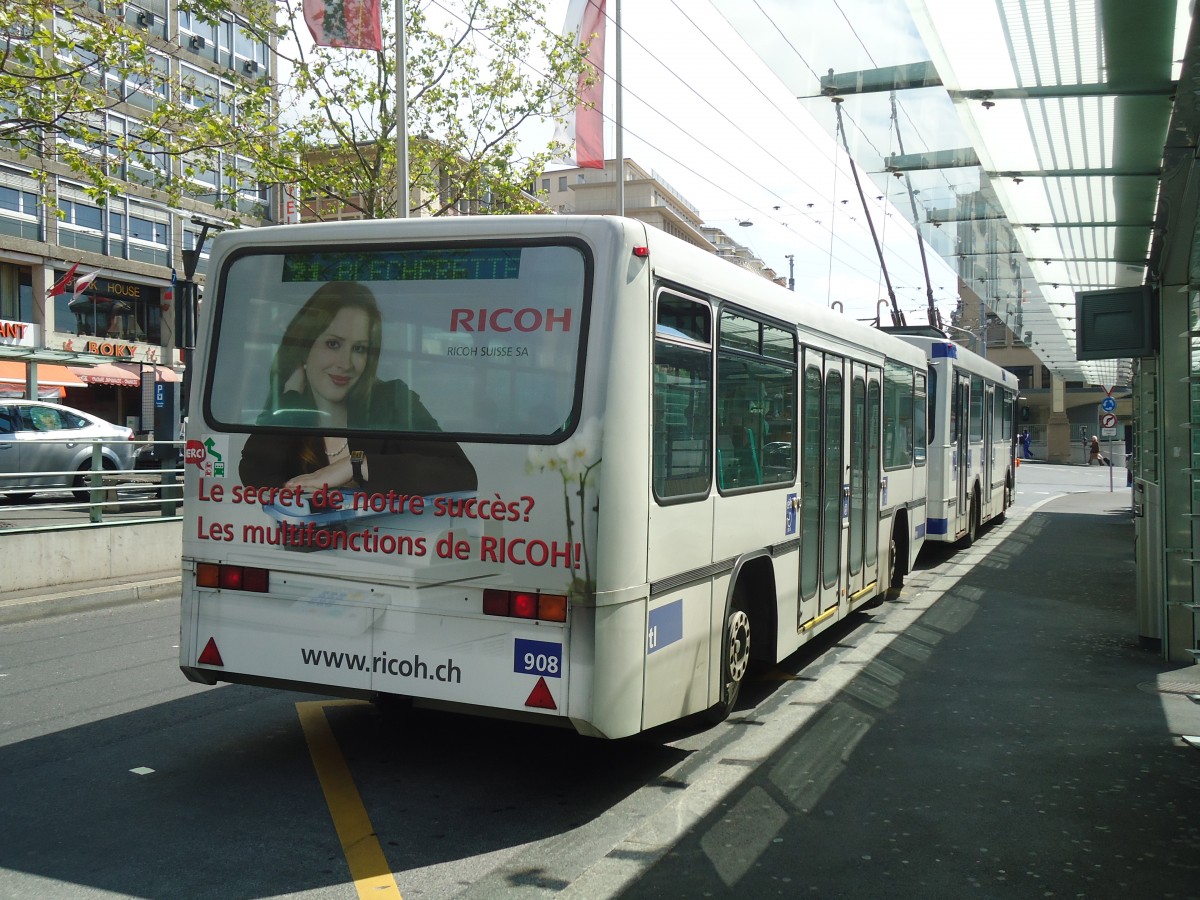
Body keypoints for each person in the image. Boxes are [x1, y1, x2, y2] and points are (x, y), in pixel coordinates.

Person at [238, 281, 477, 495]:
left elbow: (461, 474)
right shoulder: (292, 411)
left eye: (359, 349)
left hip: (385, 544)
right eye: (333, 344)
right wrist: (291, 397)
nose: (346, 364)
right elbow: (256, 475)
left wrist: (358, 465)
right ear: (305, 346)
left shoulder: (391, 401)